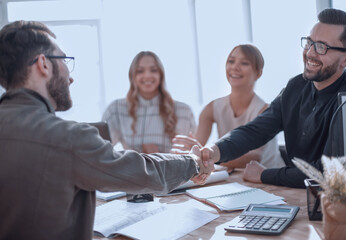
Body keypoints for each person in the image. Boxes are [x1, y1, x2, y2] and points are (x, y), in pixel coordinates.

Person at [0, 21, 213, 240]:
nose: (70, 77)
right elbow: (141, 172)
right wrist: (193, 162)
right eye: (64, 60)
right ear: (43, 65)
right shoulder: (68, 138)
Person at [199, 8, 346, 188]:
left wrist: (264, 175)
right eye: (309, 43)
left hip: (342, 207)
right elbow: (255, 130)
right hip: (300, 198)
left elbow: (331, 172)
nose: (310, 53)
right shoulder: (295, 87)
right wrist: (213, 151)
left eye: (322, 47)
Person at [172, 44, 284, 169]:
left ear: (258, 73)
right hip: (233, 177)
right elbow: (198, 149)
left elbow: (253, 158)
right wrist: (197, 151)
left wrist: (207, 155)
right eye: (231, 61)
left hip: (270, 179)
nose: (235, 67)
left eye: (244, 63)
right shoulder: (211, 109)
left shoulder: (265, 110)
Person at [102, 51, 196, 153]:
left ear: (161, 75)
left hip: (171, 168)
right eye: (140, 71)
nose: (147, 75)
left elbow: (193, 155)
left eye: (153, 70)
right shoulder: (116, 110)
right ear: (132, 76)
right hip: (133, 169)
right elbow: (101, 150)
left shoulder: (183, 111)